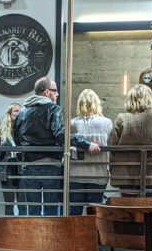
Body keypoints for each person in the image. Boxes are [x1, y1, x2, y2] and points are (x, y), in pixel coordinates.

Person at [13, 77, 100, 216]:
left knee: (33, 211)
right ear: (47, 92)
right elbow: (60, 134)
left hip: (28, 165)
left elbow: (16, 135)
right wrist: (86, 143)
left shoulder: (22, 111)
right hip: (50, 164)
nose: (57, 94)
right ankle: (51, 238)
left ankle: (35, 237)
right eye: (55, 91)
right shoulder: (53, 109)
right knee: (51, 211)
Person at [108, 84, 152, 197]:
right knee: (150, 206)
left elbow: (113, 145)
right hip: (151, 170)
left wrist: (112, 168)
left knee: (129, 206)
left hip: (125, 171)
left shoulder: (121, 117)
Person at [68, 89, 112, 215]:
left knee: (74, 213)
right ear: (97, 103)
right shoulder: (107, 123)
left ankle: (73, 234)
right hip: (98, 174)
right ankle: (93, 235)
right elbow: (111, 144)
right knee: (95, 213)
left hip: (76, 174)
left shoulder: (73, 123)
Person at [0, 104, 21, 215]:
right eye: (16, 111)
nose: (18, 113)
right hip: (7, 167)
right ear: (10, 113)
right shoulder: (3, 131)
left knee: (22, 203)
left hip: (19, 167)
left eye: (20, 111)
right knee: (9, 203)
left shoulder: (22, 128)